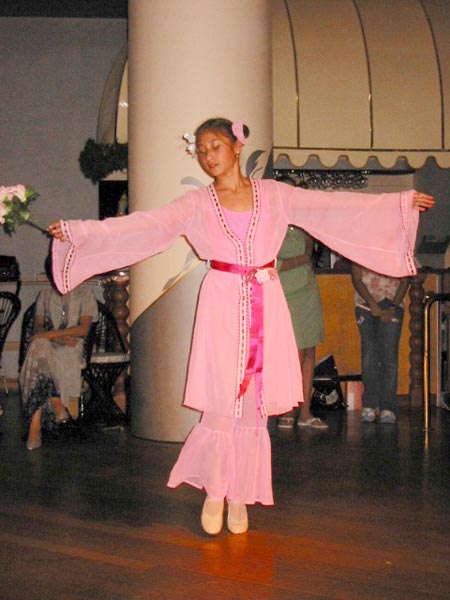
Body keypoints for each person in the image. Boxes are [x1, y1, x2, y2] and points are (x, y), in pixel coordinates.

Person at [47, 117, 434, 535]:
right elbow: (145, 226)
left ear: (236, 145)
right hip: (221, 302)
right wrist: (77, 233)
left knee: (253, 405)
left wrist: (398, 206)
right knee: (220, 401)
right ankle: (216, 491)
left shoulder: (275, 195)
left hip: (266, 302)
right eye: (201, 150)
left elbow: (331, 207)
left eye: (215, 145)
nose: (208, 156)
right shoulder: (197, 204)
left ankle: (240, 495)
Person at [19, 257, 98, 450]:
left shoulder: (85, 294)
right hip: (51, 343)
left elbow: (83, 329)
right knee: (39, 347)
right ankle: (55, 403)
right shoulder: (44, 295)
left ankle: (35, 427)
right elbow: (38, 328)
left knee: (38, 349)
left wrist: (51, 335)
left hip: (73, 345)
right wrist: (55, 338)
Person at [276, 176, 326, 430]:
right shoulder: (271, 223)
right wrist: (301, 259)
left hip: (307, 290)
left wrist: (306, 257)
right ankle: (287, 409)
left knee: (308, 351)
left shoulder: (302, 221)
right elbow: (270, 263)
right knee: (292, 354)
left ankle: (305, 412)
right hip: (286, 292)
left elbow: (311, 252)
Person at [351, 263, 410, 424]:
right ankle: (369, 404)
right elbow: (356, 278)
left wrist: (392, 307)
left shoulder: (398, 248)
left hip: (393, 302)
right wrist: (372, 304)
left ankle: (388, 406)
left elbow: (405, 280)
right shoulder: (360, 249)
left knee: (389, 357)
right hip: (365, 304)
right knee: (369, 355)